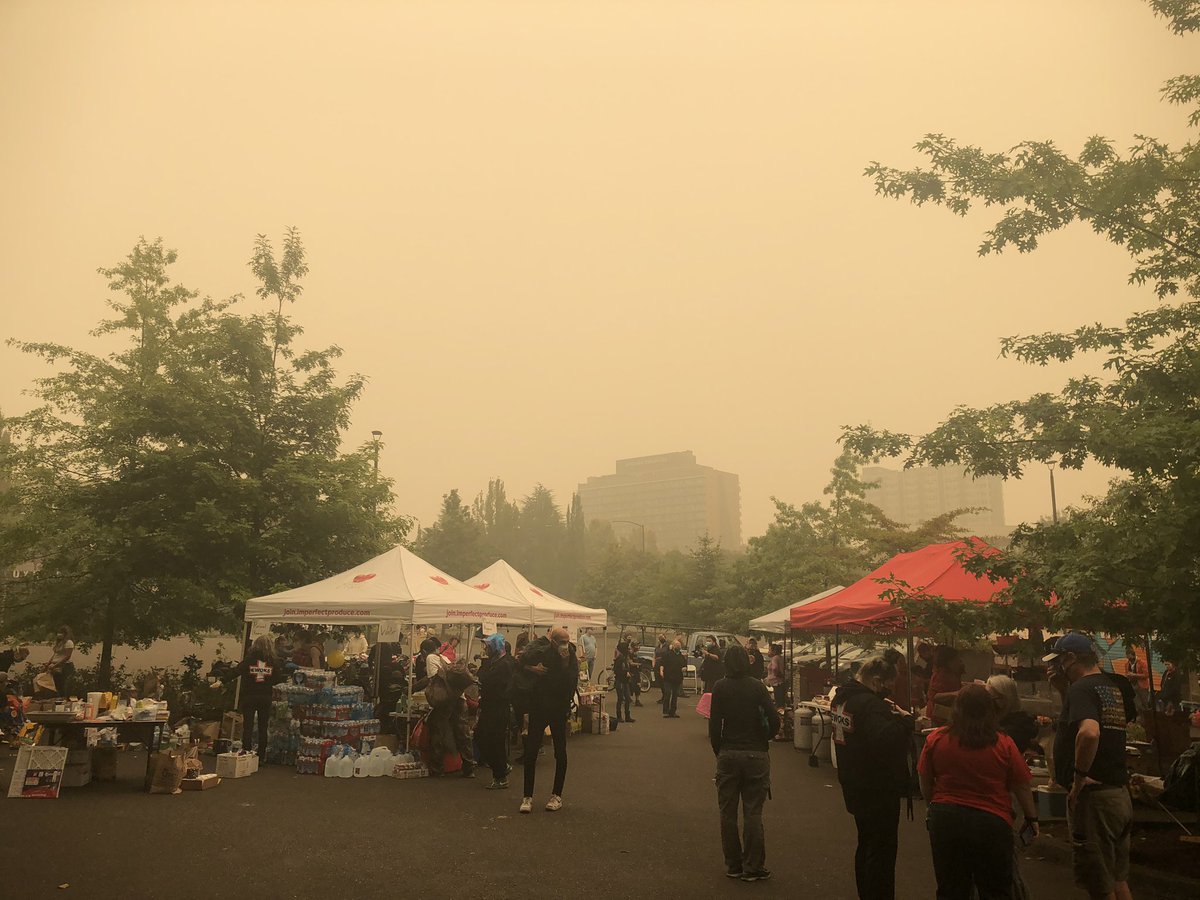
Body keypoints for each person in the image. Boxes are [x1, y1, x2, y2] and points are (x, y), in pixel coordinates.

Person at [918, 683, 1039, 900]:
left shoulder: (936, 739)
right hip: (991, 822)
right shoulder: (1004, 743)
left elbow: (925, 778)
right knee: (995, 888)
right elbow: (1021, 785)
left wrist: (931, 807)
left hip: (945, 819)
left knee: (951, 887)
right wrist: (1032, 818)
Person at [1043, 633, 1132, 900]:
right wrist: (1063, 691)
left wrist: (1079, 777)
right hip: (1117, 793)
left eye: (1059, 661)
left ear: (1071, 658)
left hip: (1095, 799)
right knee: (1117, 879)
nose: (1057, 667)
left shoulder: (1082, 688)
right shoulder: (1108, 686)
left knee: (1100, 887)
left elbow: (1090, 732)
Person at [831, 655, 915, 900]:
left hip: (852, 781)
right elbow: (888, 741)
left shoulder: (842, 699)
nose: (891, 690)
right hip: (877, 788)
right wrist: (906, 721)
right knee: (882, 851)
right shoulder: (870, 705)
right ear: (878, 682)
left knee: (865, 844)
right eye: (890, 684)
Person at [709, 644, 781, 883]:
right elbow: (773, 718)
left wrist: (720, 752)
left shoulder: (720, 687)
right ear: (748, 662)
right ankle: (753, 866)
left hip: (729, 752)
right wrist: (765, 738)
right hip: (755, 753)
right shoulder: (757, 687)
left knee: (727, 812)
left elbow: (714, 726)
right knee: (753, 812)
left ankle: (733, 865)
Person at [519, 626, 578, 813]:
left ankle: (556, 795)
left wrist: (566, 663)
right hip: (539, 707)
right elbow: (518, 662)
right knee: (531, 751)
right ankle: (527, 796)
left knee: (560, 751)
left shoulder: (571, 656)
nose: (565, 645)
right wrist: (532, 669)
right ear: (552, 641)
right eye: (561, 642)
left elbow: (572, 681)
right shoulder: (541, 652)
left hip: (559, 709)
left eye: (567, 641)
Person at [215, 636, 279, 758]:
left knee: (248, 725)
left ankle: (246, 751)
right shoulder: (273, 661)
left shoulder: (250, 659)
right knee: (263, 726)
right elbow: (277, 678)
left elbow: (237, 671)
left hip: (250, 695)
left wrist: (222, 681)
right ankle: (260, 755)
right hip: (265, 696)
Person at [476, 633, 516, 789]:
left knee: (494, 741)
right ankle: (501, 768)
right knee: (482, 737)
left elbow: (487, 680)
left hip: (498, 707)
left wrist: (482, 671)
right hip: (489, 706)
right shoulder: (495, 662)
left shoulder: (503, 664)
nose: (485, 649)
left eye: (487, 646)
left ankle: (500, 775)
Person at [424, 658, 476, 778]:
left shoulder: (430, 659)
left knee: (438, 732)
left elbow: (432, 679)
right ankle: (469, 768)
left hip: (445, 701)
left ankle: (437, 769)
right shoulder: (444, 659)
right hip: (460, 700)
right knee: (463, 734)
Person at [986, 674, 1039, 755]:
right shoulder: (996, 721)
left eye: (992, 698)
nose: (988, 704)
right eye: (987, 698)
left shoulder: (1015, 730)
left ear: (1006, 700)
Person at [926, 645, 966, 724]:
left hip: (949, 717)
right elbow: (933, 696)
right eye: (957, 659)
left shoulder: (953, 673)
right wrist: (958, 693)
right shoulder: (941, 674)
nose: (959, 661)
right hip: (939, 719)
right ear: (949, 662)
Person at [658, 639, 686, 718]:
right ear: (673, 646)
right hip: (668, 677)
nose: (678, 646)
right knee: (668, 693)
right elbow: (662, 663)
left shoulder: (681, 656)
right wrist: (661, 671)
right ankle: (666, 711)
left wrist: (684, 668)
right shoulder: (667, 654)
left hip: (677, 678)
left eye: (679, 645)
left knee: (675, 695)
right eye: (676, 645)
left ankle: (673, 712)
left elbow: (684, 665)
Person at [45, 627, 74, 697]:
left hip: (64, 666)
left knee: (62, 685)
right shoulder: (59, 643)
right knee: (55, 684)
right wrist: (48, 663)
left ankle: (63, 699)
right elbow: (55, 655)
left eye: (61, 633)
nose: (59, 634)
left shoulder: (69, 642)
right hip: (54, 665)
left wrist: (56, 665)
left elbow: (67, 656)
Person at [613, 641, 635, 724]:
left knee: (626, 699)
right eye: (627, 648)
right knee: (620, 698)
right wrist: (625, 672)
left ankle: (627, 716)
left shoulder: (624, 658)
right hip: (620, 681)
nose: (629, 649)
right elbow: (617, 670)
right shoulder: (620, 659)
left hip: (625, 681)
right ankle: (619, 716)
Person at [1123, 646, 1149, 712]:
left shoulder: (1142, 663)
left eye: (1129, 657)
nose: (1128, 658)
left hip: (1142, 686)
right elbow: (1126, 674)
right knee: (1137, 704)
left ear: (1133, 655)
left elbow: (1147, 675)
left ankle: (1147, 718)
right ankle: (1140, 717)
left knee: (1145, 703)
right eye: (1127, 657)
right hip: (1132, 685)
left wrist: (1134, 675)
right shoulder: (1127, 664)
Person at [764, 643, 786, 709]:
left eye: (769, 650)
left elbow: (775, 668)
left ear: (774, 651)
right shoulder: (780, 657)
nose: (768, 652)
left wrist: (774, 675)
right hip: (780, 682)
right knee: (781, 701)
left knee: (778, 702)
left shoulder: (774, 658)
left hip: (776, 682)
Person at [629, 641, 645, 707]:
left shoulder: (636, 654)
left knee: (638, 686)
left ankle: (637, 700)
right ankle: (627, 698)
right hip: (631, 673)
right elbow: (630, 663)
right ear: (633, 647)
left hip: (637, 673)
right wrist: (638, 664)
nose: (638, 647)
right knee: (630, 686)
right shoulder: (630, 654)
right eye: (636, 646)